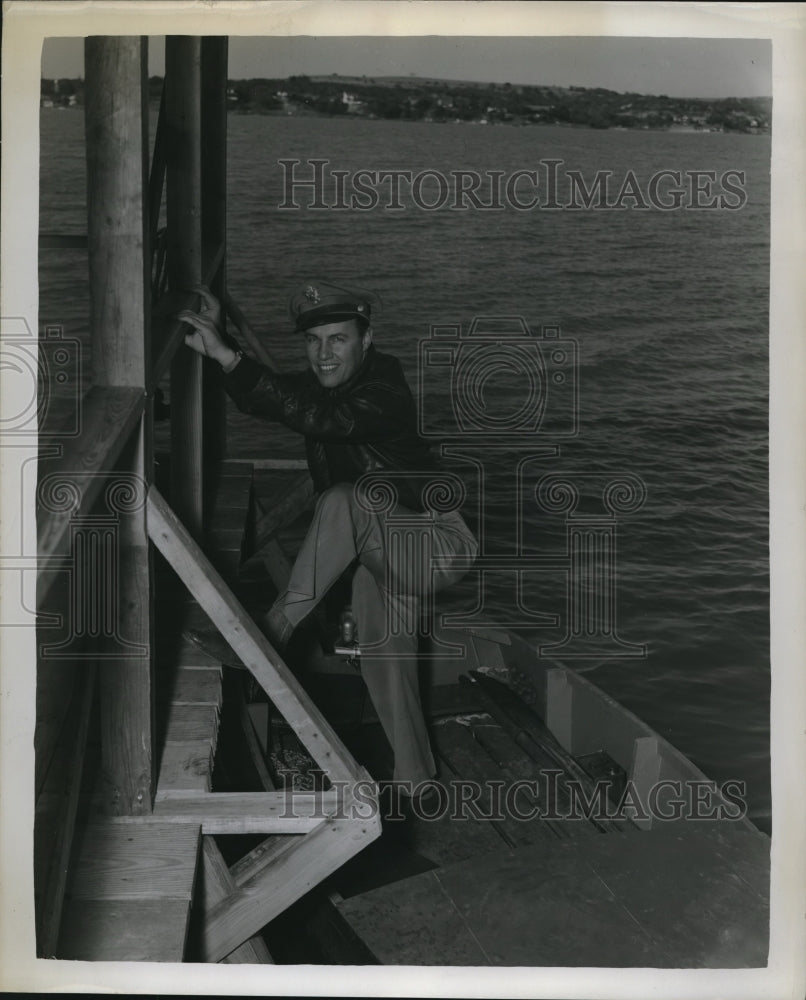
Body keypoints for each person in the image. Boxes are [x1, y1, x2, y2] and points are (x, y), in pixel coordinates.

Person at [178, 281, 478, 789]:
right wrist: (220, 344)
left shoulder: (385, 389)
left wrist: (230, 356)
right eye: (314, 341)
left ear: (367, 339)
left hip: (434, 544)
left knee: (346, 497)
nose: (323, 352)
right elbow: (272, 397)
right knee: (386, 666)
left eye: (337, 339)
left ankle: (269, 633)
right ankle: (417, 780)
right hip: (380, 548)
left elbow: (322, 418)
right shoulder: (328, 387)